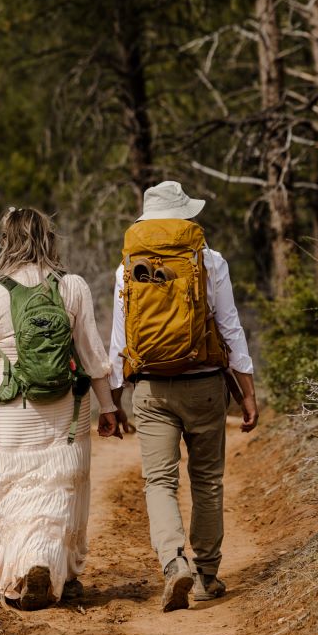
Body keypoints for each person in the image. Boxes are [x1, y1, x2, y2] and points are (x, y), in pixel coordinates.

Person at [0, 206, 117, 610]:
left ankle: (31, 566)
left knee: (19, 492)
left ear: (7, 241)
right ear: (48, 239)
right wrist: (107, 406)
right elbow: (92, 355)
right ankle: (63, 574)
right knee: (64, 490)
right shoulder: (72, 287)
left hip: (15, 412)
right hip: (68, 410)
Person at [109, 180, 258, 612]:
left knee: (159, 482)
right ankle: (207, 576)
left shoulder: (126, 267)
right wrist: (247, 393)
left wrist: (112, 400)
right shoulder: (209, 260)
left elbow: (120, 339)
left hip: (151, 388)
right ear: (185, 216)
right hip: (206, 385)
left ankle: (174, 562)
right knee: (207, 481)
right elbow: (231, 328)